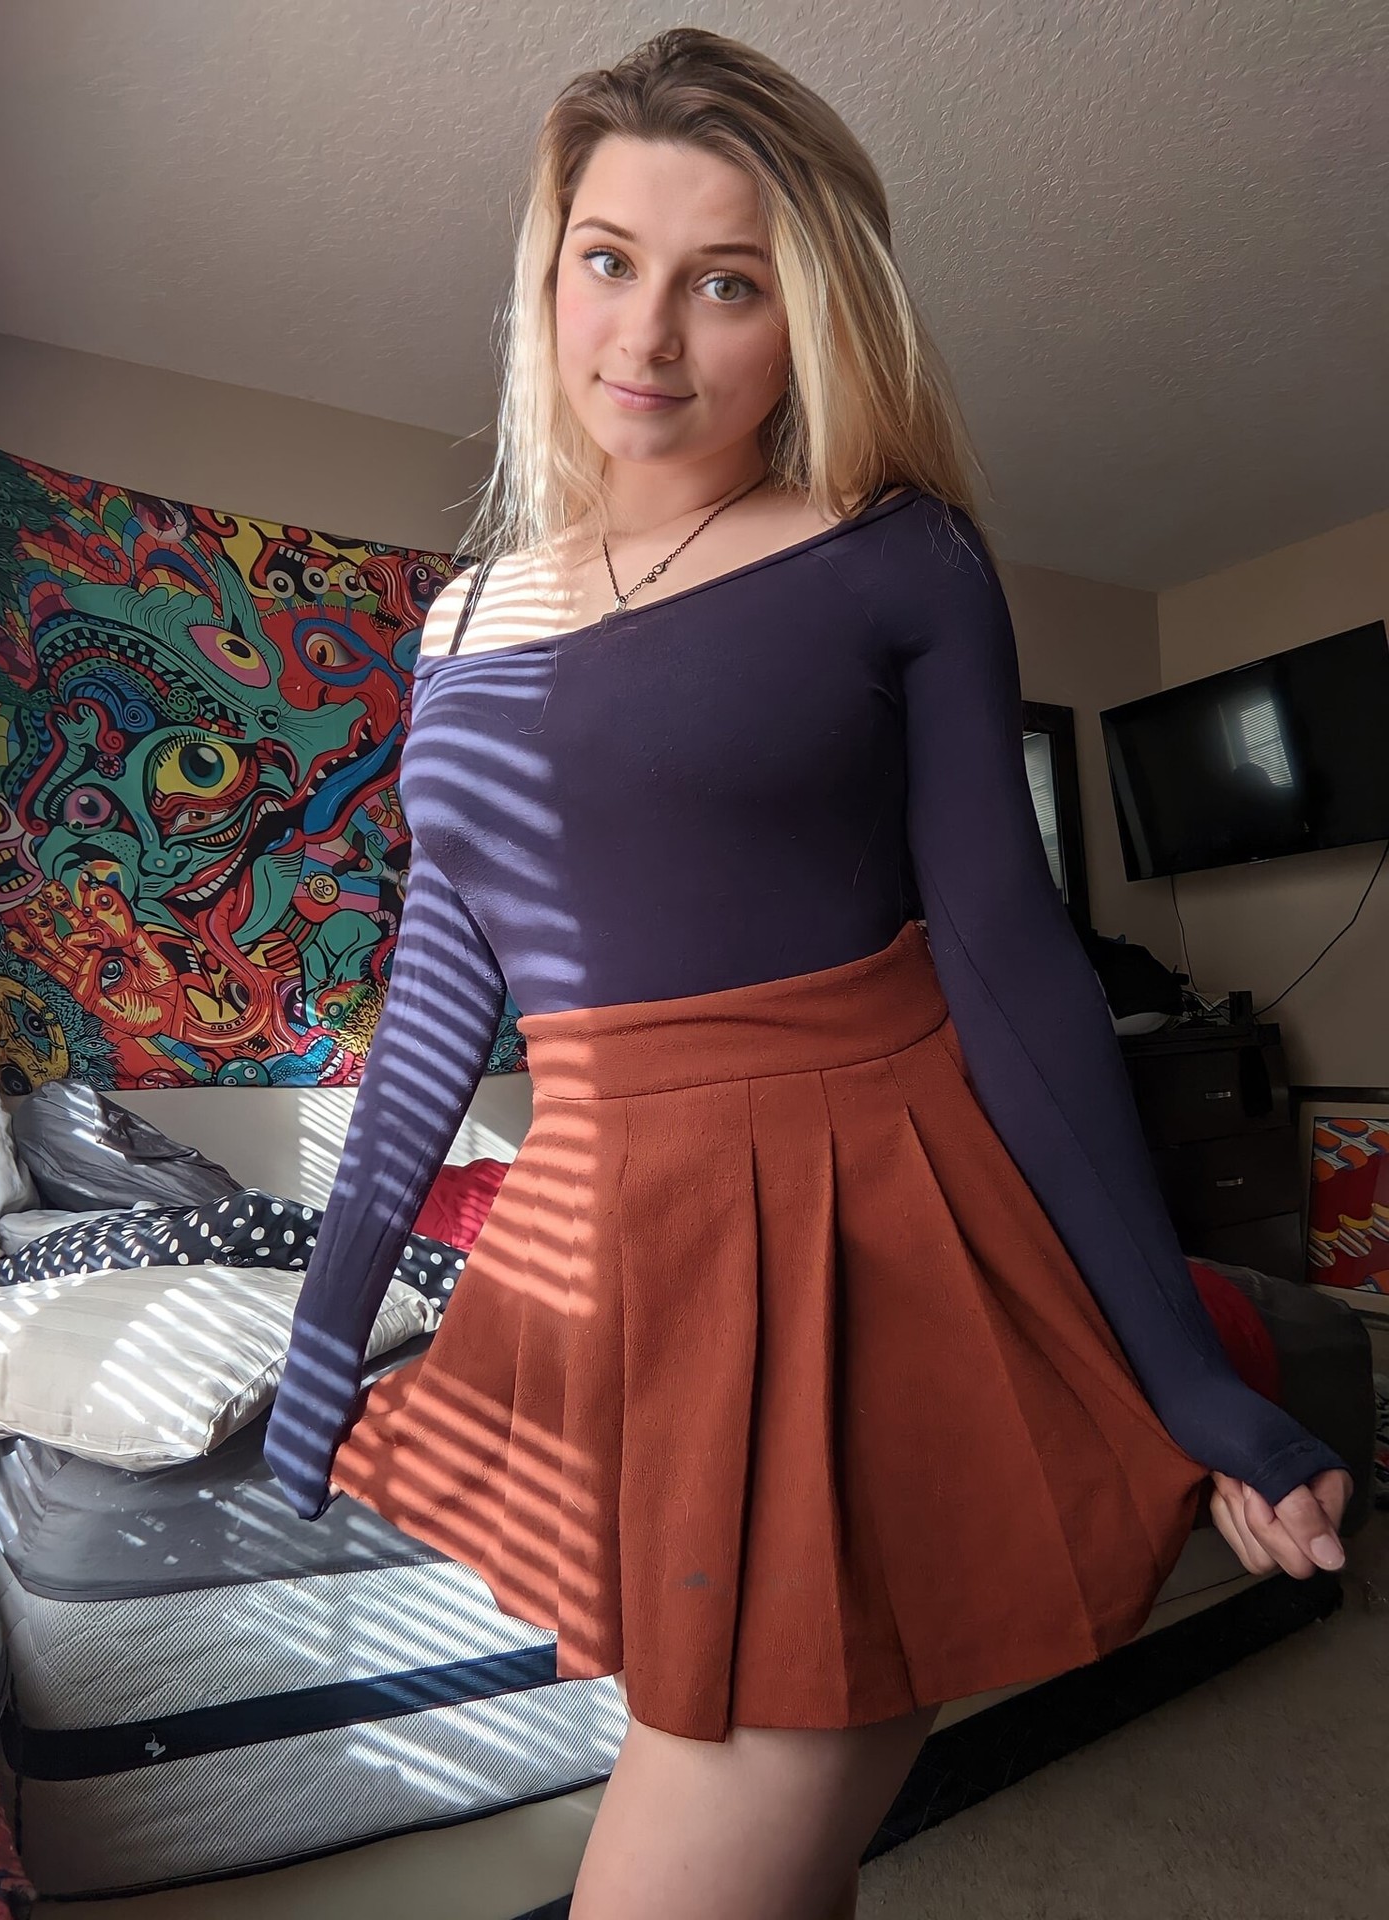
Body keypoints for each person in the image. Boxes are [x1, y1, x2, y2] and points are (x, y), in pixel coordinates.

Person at [263, 28, 1352, 1920]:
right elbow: (444, 978)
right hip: (626, 1254)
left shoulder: (891, 554)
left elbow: (1009, 962)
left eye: (727, 282)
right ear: (548, 273)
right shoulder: (461, 619)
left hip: (855, 1227)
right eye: (609, 259)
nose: (648, 335)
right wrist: (323, 1325)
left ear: (812, 318)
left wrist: (1186, 1369)